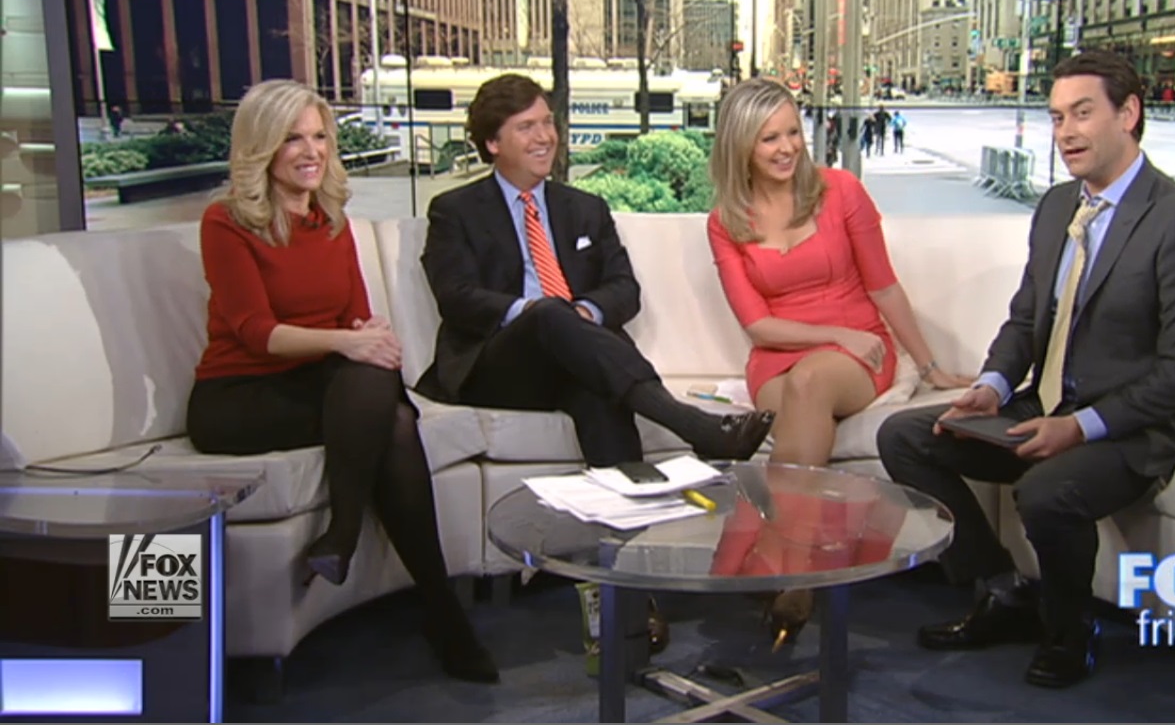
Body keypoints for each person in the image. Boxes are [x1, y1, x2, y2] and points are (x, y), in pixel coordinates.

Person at [876, 51, 1175, 688]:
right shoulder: (1056, 207)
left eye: (1082, 113)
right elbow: (1025, 319)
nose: (1066, 132)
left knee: (1047, 491)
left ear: (1129, 114)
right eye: (1056, 117)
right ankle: (1002, 589)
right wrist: (992, 387)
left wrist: (1080, 428)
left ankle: (1071, 632)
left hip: (1138, 423)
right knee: (905, 436)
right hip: (1048, 404)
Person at [185, 80, 498, 683]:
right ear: (262, 147)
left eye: (320, 137)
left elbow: (354, 313)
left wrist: (366, 333)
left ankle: (358, 549)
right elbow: (255, 332)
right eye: (293, 139)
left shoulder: (330, 220)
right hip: (239, 396)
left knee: (388, 402)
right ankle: (432, 607)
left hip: (320, 386)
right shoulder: (226, 222)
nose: (312, 151)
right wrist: (348, 343)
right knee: (385, 403)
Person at [706, 77, 973, 641]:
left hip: (861, 350)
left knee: (809, 384)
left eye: (792, 132)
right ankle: (803, 564)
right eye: (769, 139)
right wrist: (830, 334)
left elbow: (884, 287)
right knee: (799, 385)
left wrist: (929, 368)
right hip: (778, 357)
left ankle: (781, 560)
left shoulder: (841, 190)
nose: (787, 148)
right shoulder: (726, 221)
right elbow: (757, 325)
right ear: (741, 147)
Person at [417, 73, 774, 471]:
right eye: (526, 127)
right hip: (497, 365)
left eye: (547, 122)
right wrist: (535, 312)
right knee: (549, 312)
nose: (544, 136)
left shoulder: (586, 208)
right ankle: (690, 424)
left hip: (575, 358)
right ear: (492, 143)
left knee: (599, 391)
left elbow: (624, 289)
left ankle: (634, 501)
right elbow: (455, 296)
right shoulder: (454, 210)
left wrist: (584, 313)